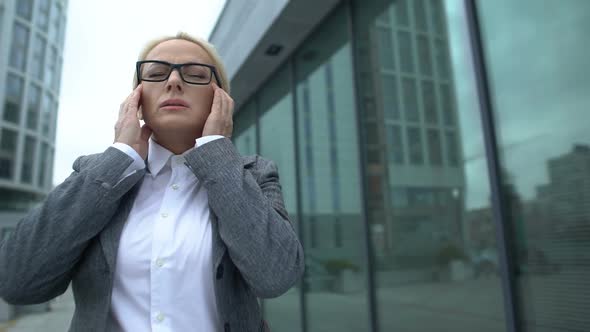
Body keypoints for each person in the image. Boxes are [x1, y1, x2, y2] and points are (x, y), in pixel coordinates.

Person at [0, 32, 304, 332]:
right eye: (156, 74)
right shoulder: (94, 173)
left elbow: (276, 276)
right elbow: (17, 282)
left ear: (220, 100)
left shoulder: (255, 174)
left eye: (196, 74)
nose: (173, 82)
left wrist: (216, 150)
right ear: (137, 99)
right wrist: (119, 156)